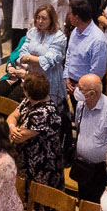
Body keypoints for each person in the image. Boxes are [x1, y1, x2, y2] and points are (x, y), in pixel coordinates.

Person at [8, 68, 66, 203]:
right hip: (27, 161)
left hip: (43, 164)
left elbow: (18, 137)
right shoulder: (28, 101)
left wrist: (13, 129)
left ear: (29, 92)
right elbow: (12, 116)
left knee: (42, 202)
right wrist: (12, 126)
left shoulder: (45, 112)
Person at [69, 73, 107, 204]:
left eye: (80, 88)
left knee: (99, 206)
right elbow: (79, 127)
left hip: (102, 170)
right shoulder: (81, 104)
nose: (76, 90)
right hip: (82, 165)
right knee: (84, 203)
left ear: (92, 93)